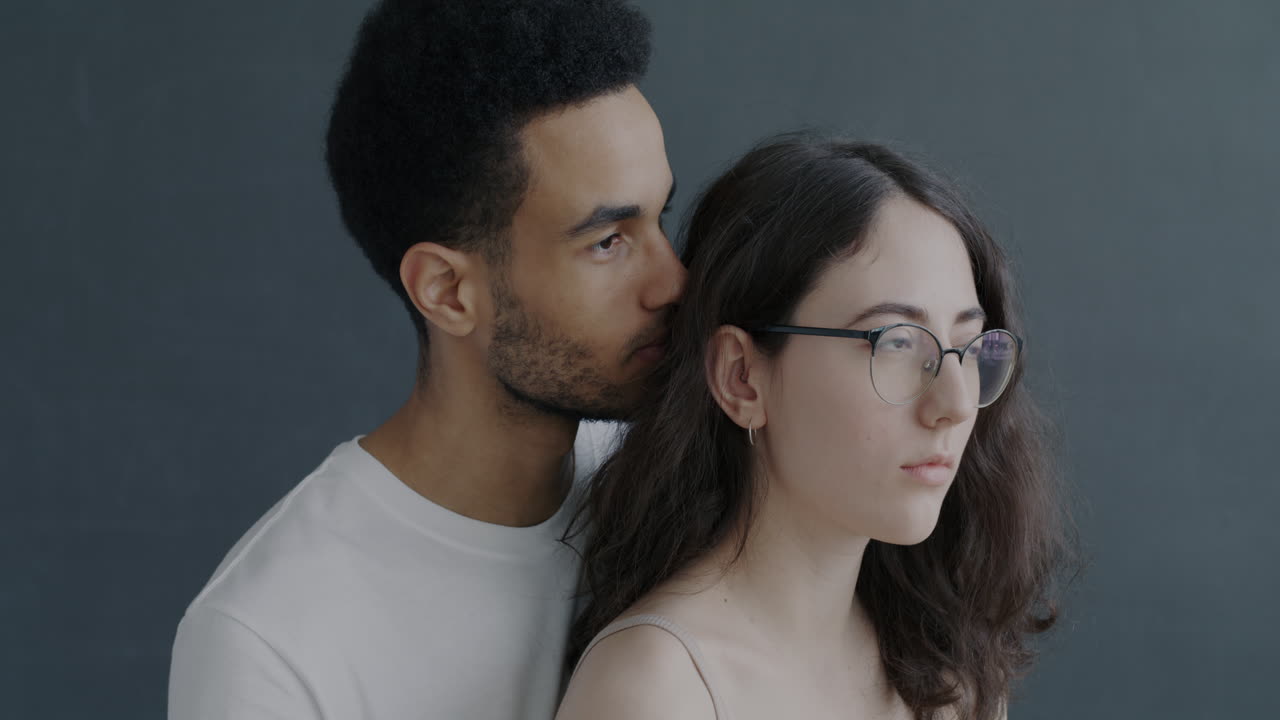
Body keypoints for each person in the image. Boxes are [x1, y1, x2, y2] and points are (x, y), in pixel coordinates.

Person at [168, 0, 684, 717]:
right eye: (608, 241)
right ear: (447, 292)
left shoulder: (683, 484)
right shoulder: (271, 642)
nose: (674, 281)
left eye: (662, 218)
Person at [556, 135, 1072, 720]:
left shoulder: (947, 673)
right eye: (898, 342)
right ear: (741, 377)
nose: (955, 403)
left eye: (966, 345)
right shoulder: (659, 691)